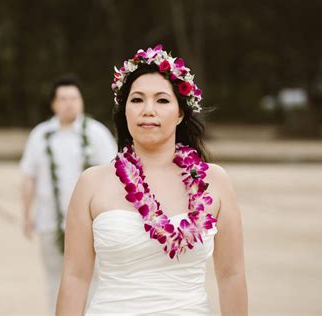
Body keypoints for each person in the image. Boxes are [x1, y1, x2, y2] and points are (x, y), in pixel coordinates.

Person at [56, 45, 248, 315]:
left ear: (180, 112)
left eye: (162, 100)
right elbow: (75, 277)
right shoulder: (92, 183)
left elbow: (231, 274)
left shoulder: (214, 181)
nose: (148, 110)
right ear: (124, 110)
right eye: (137, 100)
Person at [20, 75, 117, 314]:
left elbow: (115, 175)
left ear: (82, 101)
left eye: (74, 98)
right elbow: (28, 176)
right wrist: (26, 214)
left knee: (94, 278)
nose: (69, 103)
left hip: (92, 223)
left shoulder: (96, 134)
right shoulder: (40, 135)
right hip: (50, 220)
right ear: (54, 104)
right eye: (63, 99)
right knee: (55, 277)